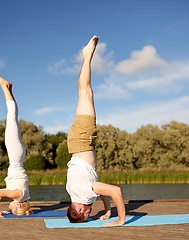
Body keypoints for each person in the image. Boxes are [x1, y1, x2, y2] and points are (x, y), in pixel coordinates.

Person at [66, 35, 126, 226]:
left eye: (87, 214)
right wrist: (108, 211)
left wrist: (120, 220)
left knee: (86, 91)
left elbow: (115, 191)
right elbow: (102, 191)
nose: (90, 213)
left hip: (83, 139)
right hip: (80, 142)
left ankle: (86, 55)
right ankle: (86, 56)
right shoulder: (76, 193)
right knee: (86, 93)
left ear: (80, 209)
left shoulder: (82, 194)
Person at [0, 74, 32, 218]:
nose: (10, 207)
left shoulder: (20, 195)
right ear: (18, 205)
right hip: (15, 155)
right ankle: (4, 86)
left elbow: (0, 192)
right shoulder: (16, 195)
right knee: (11, 117)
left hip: (18, 155)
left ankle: (9, 88)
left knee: (13, 119)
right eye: (12, 209)